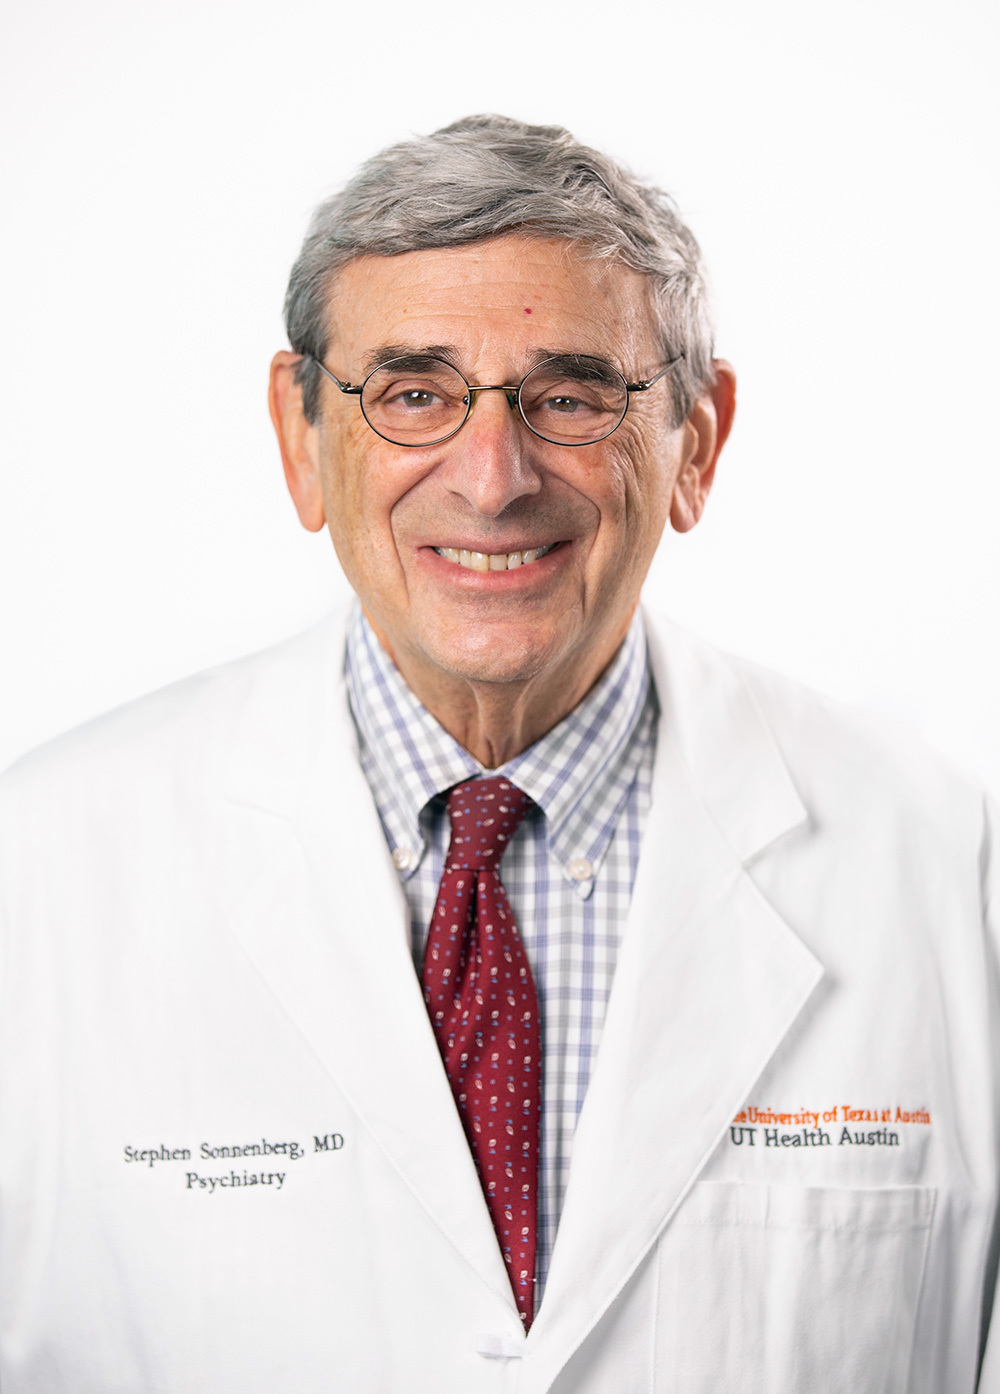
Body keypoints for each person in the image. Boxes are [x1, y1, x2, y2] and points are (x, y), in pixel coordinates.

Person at [0, 114, 997, 1394]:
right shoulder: (41, 875)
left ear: (694, 442)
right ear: (303, 437)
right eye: (413, 392)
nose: (490, 476)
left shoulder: (945, 867)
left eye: (569, 394)